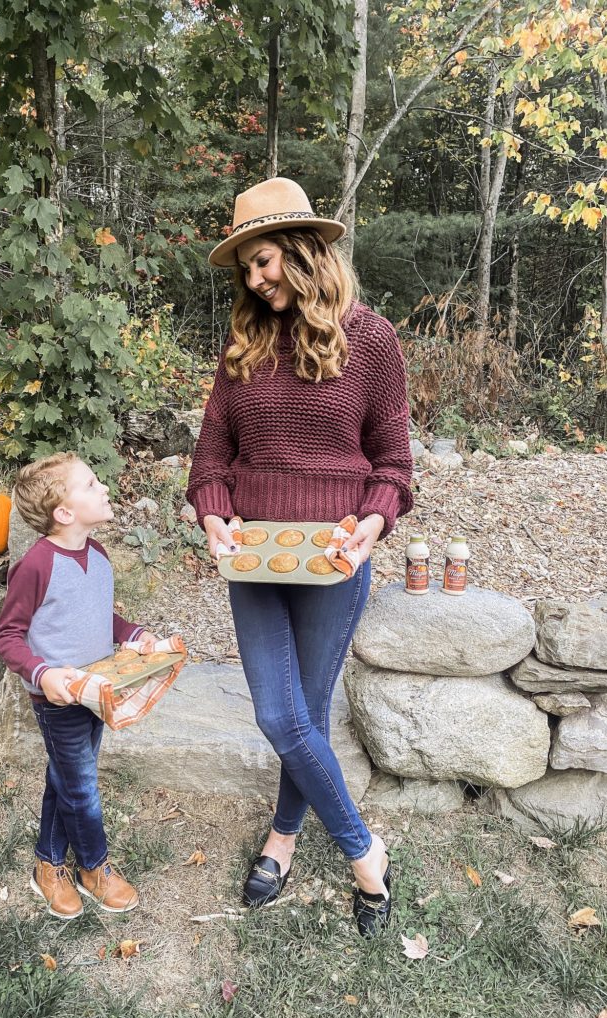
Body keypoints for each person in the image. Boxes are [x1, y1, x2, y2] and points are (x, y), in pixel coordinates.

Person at [185, 177, 414, 937]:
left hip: (332, 559)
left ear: (308, 253)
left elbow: (394, 465)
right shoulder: (242, 345)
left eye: (266, 260)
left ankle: (282, 838)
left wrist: (374, 524)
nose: (255, 279)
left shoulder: (372, 341)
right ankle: (363, 850)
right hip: (253, 557)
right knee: (280, 713)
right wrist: (214, 516)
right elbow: (210, 457)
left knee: (303, 716)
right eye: (246, 267)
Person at [0, 452, 159, 919]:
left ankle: (47, 864)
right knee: (81, 785)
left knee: (64, 777)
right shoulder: (36, 566)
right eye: (90, 484)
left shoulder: (99, 555)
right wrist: (43, 674)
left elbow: (95, 616)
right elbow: (6, 635)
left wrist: (131, 635)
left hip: (97, 691)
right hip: (58, 698)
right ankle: (93, 868)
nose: (103, 487)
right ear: (64, 513)